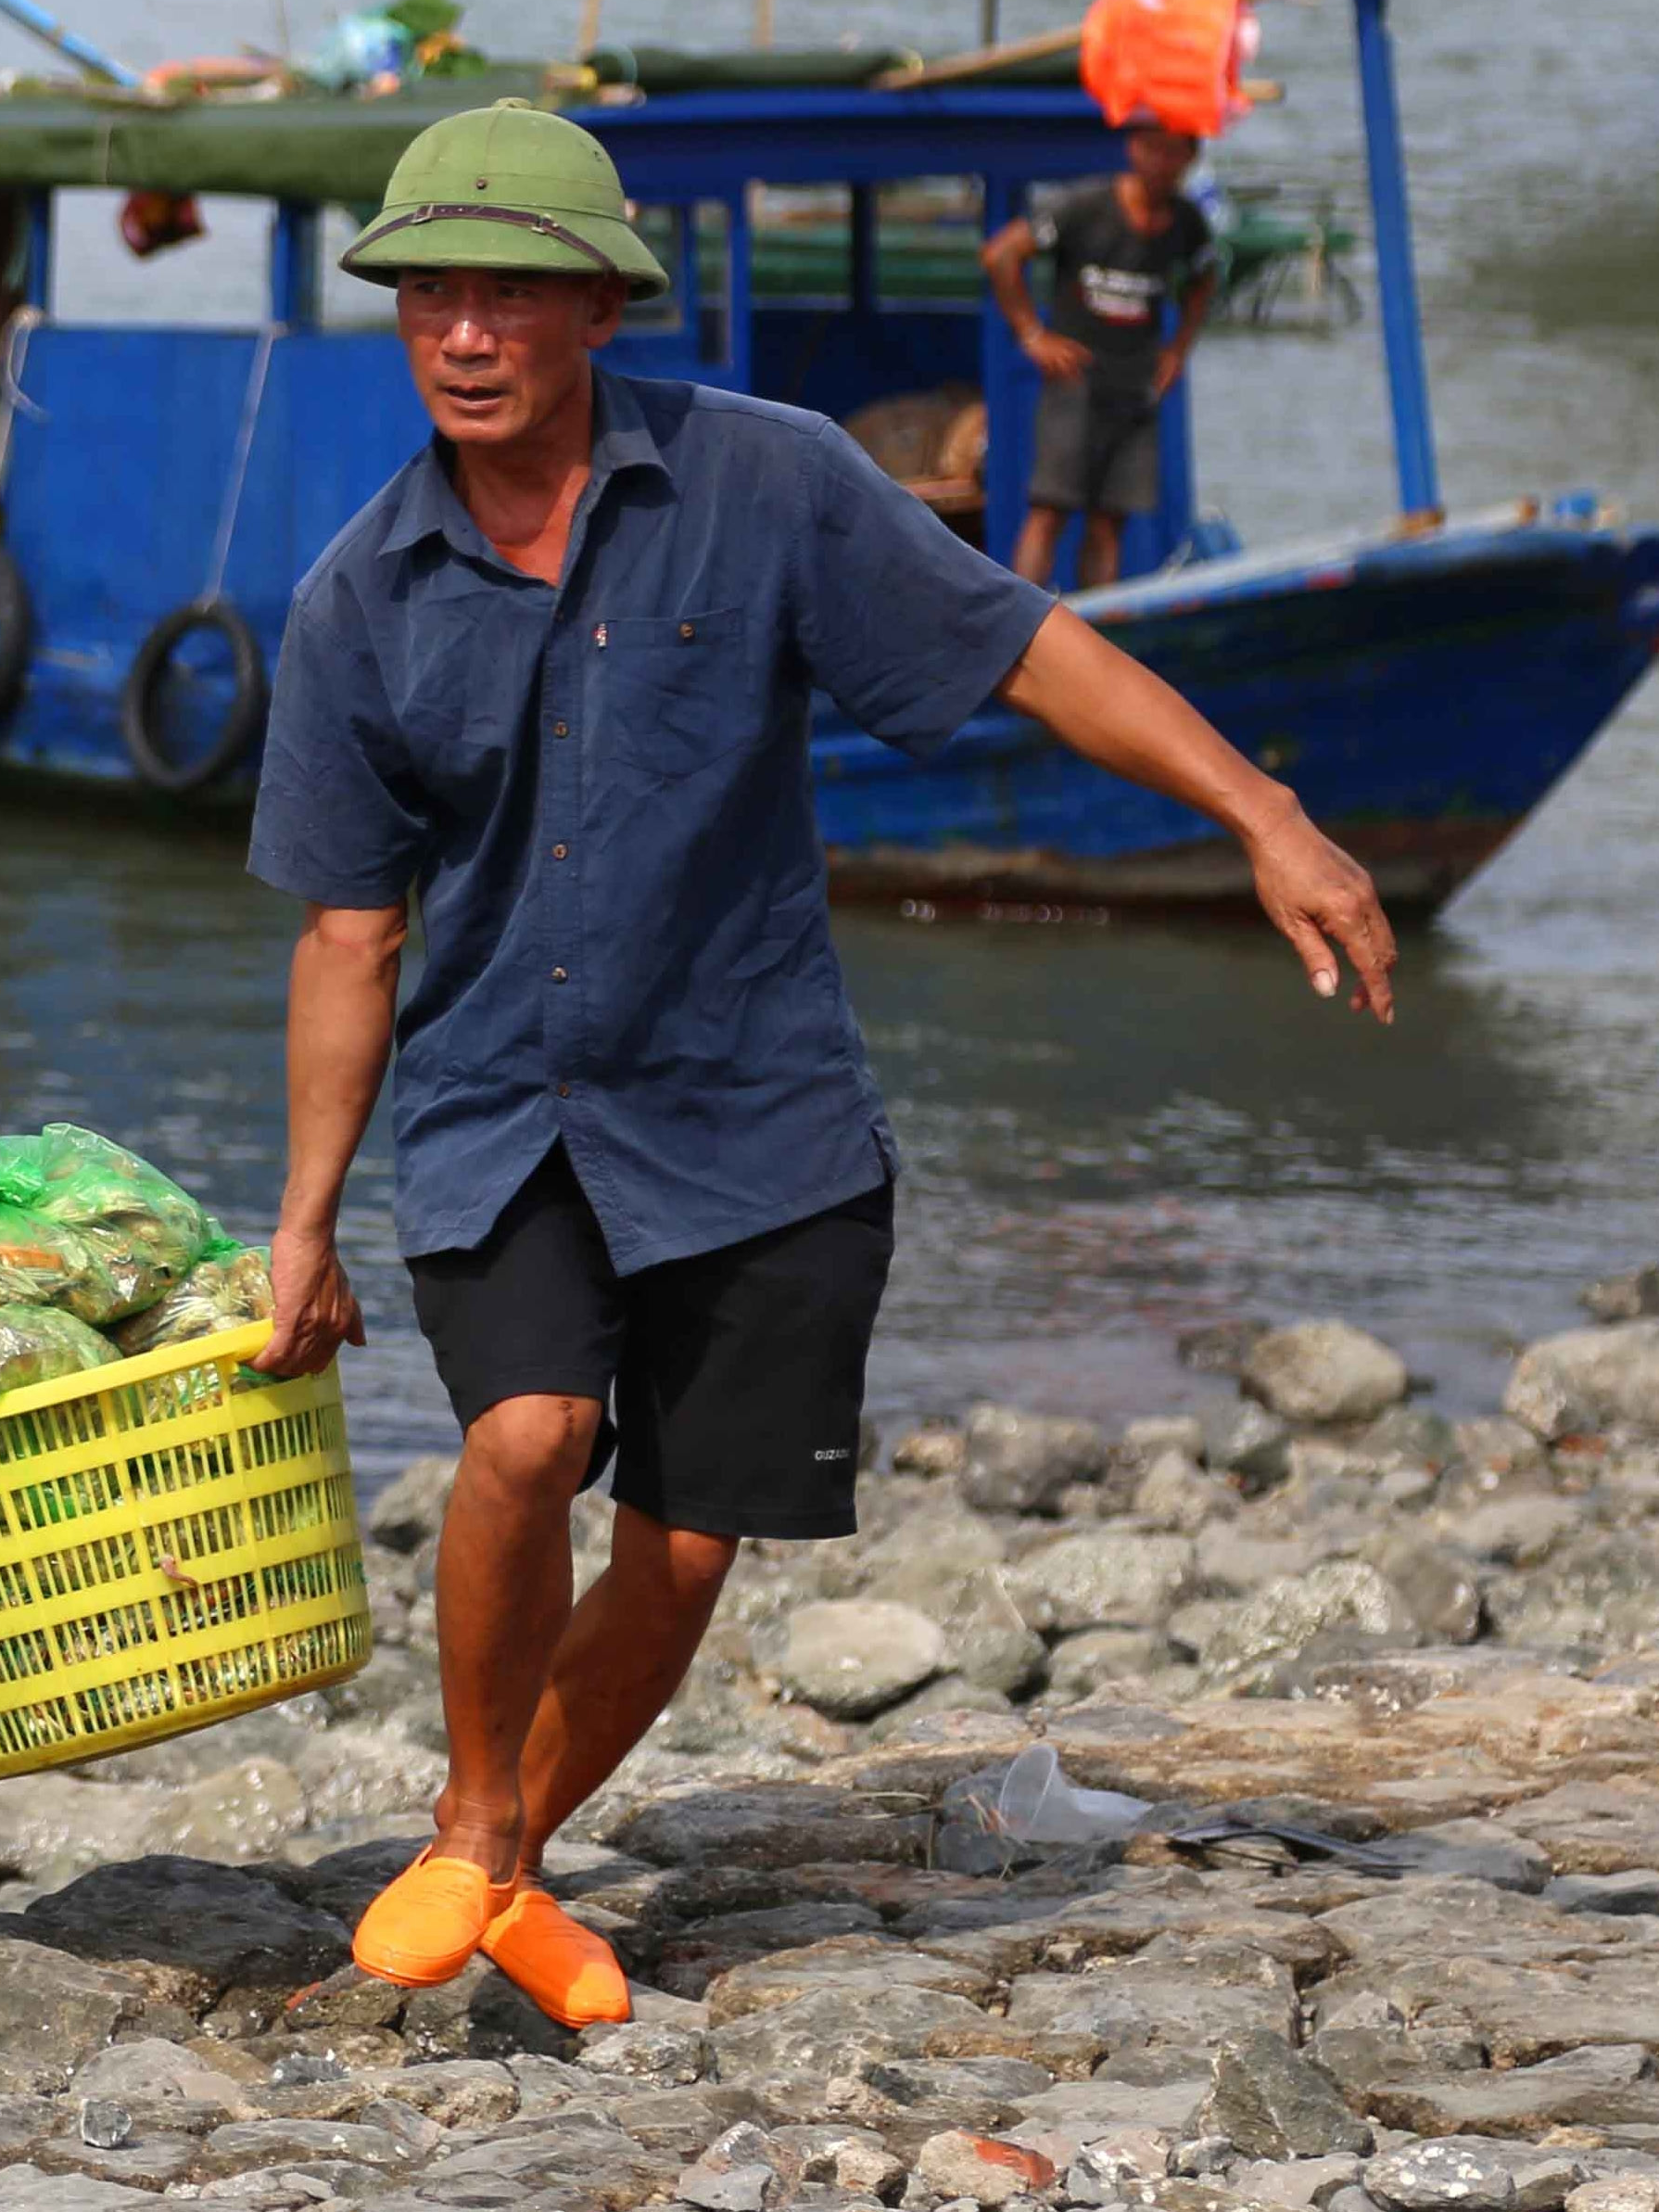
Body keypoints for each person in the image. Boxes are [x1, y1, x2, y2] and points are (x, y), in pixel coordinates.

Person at [246, 102, 1395, 2028]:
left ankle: (507, 1860)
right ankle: (470, 1812)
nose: (460, 332)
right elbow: (347, 934)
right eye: (428, 292)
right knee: (524, 1436)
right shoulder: (358, 600)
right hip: (496, 1110)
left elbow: (1022, 645)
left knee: (687, 1548)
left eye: (504, 296)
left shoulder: (761, 484)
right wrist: (297, 1219)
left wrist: (1260, 809)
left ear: (592, 311)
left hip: (753, 1110)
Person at [982, 120, 1221, 591]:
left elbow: (1205, 276)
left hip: (1136, 387)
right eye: (1152, 150)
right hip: (1074, 382)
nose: (1161, 164)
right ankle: (1022, 625)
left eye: (1175, 153)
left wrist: (1179, 348)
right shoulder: (1084, 206)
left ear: (1191, 159)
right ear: (1133, 149)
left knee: (1110, 521)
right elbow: (1001, 255)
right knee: (1049, 509)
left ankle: (1100, 636)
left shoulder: (1186, 221)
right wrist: (1032, 335)